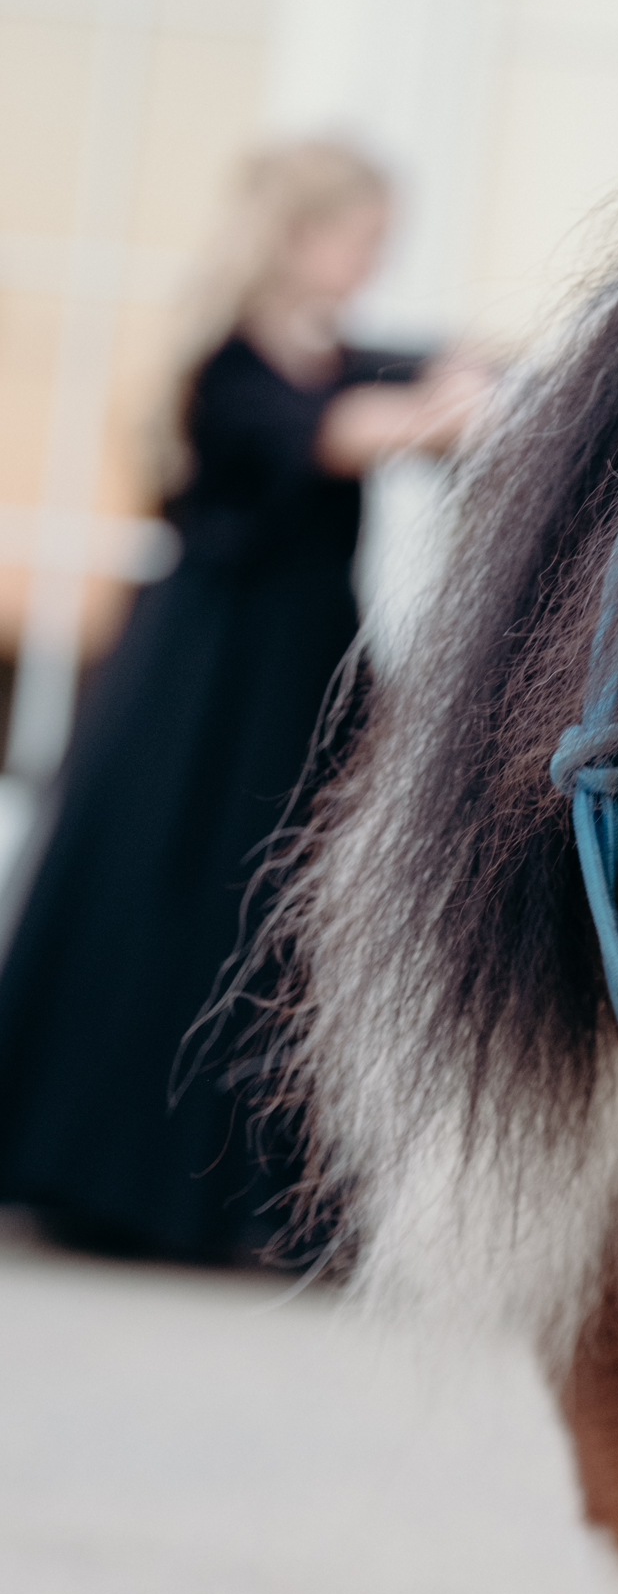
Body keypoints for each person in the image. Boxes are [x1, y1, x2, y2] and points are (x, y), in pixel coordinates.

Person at [0, 141, 483, 1262]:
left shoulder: (342, 354)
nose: (372, 260)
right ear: (299, 236)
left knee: (280, 922)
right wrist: (444, 404)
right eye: (360, 236)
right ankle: (117, 1184)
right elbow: (344, 431)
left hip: (302, 676)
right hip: (203, 681)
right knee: (167, 901)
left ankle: (246, 1204)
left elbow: (401, 384)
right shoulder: (226, 364)